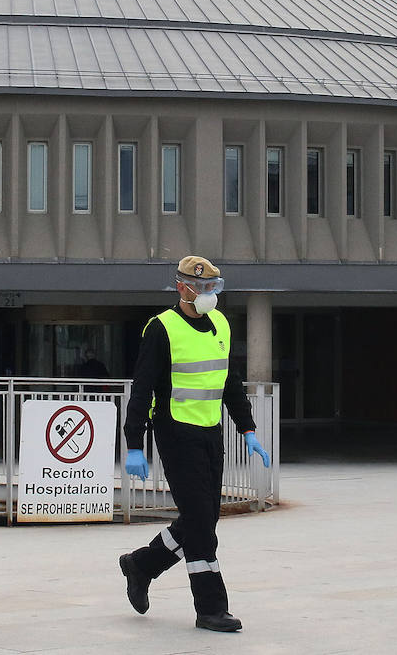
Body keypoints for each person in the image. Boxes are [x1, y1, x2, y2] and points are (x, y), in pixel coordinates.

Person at [118, 255, 271, 633]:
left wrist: (248, 429)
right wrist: (134, 443)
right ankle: (211, 608)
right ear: (181, 287)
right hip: (176, 432)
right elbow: (142, 388)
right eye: (201, 286)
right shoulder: (161, 328)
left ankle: (142, 565)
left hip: (210, 432)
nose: (208, 294)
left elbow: (229, 381)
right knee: (202, 526)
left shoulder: (221, 324)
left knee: (203, 517)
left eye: (213, 287)